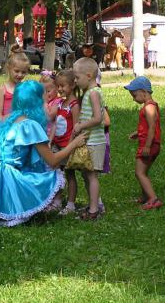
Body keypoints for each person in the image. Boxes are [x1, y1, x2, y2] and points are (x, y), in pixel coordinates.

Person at [0, 81, 87, 227]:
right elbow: (53, 161)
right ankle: (15, 207)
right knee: (54, 174)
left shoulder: (4, 121)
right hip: (5, 177)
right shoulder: (30, 125)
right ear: (37, 102)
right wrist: (73, 144)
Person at [72, 57, 106, 220]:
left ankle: (94, 210)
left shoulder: (93, 93)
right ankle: (92, 204)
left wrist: (81, 126)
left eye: (77, 78)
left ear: (89, 75)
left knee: (91, 175)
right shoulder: (89, 92)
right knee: (86, 174)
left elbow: (99, 118)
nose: (76, 81)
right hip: (89, 139)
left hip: (95, 141)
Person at [124, 76, 163, 210]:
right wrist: (138, 133)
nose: (133, 99)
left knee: (139, 173)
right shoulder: (150, 106)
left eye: (135, 95)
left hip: (150, 145)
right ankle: (146, 196)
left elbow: (152, 127)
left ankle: (153, 199)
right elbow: (149, 126)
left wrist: (147, 145)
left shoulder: (148, 107)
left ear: (144, 92)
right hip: (151, 143)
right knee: (143, 172)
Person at [52, 70, 81, 215]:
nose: (60, 89)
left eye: (63, 86)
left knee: (69, 175)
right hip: (57, 145)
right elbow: (55, 124)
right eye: (58, 86)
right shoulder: (61, 103)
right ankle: (57, 201)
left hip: (67, 146)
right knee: (57, 173)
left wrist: (70, 146)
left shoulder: (74, 105)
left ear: (72, 86)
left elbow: (76, 128)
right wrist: (51, 140)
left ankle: (70, 204)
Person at [0, 45, 30, 120]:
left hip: (22, 126)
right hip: (7, 126)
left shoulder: (25, 88)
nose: (20, 75)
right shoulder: (2, 89)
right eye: (16, 71)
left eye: (23, 72)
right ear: (9, 68)